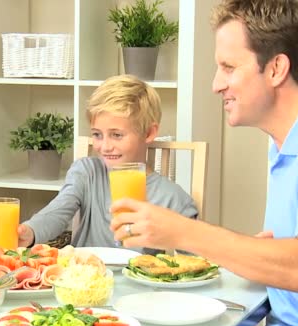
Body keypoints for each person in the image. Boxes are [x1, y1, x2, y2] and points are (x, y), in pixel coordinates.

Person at [110, 0, 298, 326]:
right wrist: (254, 253)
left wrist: (181, 232)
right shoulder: (286, 143)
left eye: (228, 67)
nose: (216, 84)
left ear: (276, 69)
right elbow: (294, 257)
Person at [17, 74, 197, 254]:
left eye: (117, 135)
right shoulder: (87, 172)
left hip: (136, 280)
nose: (105, 147)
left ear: (149, 132)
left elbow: (194, 262)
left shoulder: (172, 198)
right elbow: (57, 212)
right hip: (83, 277)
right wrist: (30, 231)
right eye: (97, 135)